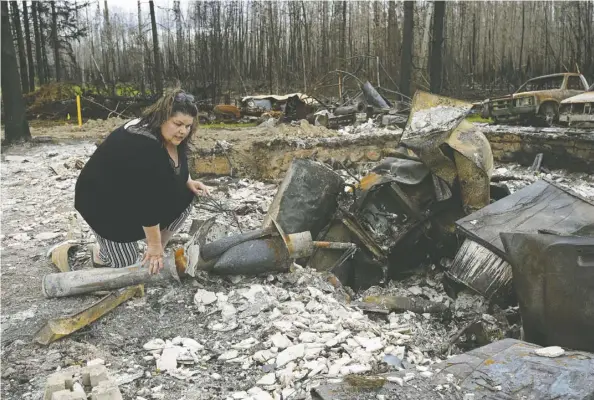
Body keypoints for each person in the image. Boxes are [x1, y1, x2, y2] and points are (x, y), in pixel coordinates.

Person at [75, 88, 211, 274]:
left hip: (128, 194)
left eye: (187, 126)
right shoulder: (143, 146)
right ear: (162, 117)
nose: (183, 131)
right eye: (178, 124)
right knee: (127, 264)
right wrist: (153, 246)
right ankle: (102, 255)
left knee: (187, 195)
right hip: (102, 202)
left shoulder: (168, 135)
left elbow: (177, 162)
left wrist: (188, 180)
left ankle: (157, 247)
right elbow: (147, 203)